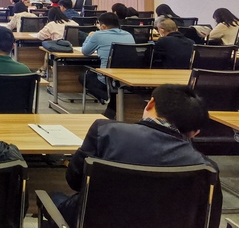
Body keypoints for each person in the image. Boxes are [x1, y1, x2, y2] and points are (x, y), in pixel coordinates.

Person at [53, 85, 221, 228]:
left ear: (151, 103)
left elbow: (74, 180)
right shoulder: (206, 168)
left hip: (93, 221)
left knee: (54, 198)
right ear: (195, 133)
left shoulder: (105, 131)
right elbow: (208, 221)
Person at [80, 12, 135, 118]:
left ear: (103, 26)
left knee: (84, 75)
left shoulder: (97, 35)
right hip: (126, 78)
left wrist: (89, 37)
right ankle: (113, 103)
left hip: (107, 79)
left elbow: (85, 52)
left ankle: (108, 98)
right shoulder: (128, 35)